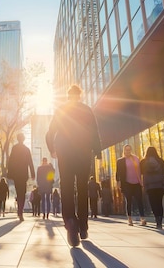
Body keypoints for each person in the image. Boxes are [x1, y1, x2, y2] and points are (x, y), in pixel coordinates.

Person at [46, 84, 102, 246]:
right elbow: (94, 131)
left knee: (67, 186)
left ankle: (70, 220)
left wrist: (52, 150)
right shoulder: (86, 109)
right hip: (83, 152)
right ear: (80, 95)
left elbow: (50, 132)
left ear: (68, 96)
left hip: (65, 152)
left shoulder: (61, 109)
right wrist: (97, 152)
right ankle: (83, 225)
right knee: (83, 188)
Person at [7, 133, 35, 221]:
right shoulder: (26, 149)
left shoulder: (14, 148)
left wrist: (9, 173)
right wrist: (33, 173)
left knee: (19, 192)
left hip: (16, 174)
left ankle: (19, 211)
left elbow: (10, 161)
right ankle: (20, 211)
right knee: (22, 192)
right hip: (23, 174)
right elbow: (30, 162)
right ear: (23, 139)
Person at [116, 144, 146, 226]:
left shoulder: (135, 159)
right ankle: (129, 219)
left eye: (129, 150)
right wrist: (118, 183)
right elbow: (117, 173)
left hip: (137, 183)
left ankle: (142, 218)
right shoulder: (120, 161)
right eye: (126, 150)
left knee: (140, 201)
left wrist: (141, 181)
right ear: (124, 151)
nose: (128, 151)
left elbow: (140, 170)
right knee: (129, 201)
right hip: (126, 183)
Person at [140, 147, 164, 229]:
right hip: (160, 185)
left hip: (149, 186)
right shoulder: (160, 161)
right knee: (159, 203)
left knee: (153, 203)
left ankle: (157, 220)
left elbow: (141, 172)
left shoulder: (143, 162)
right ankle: (160, 222)